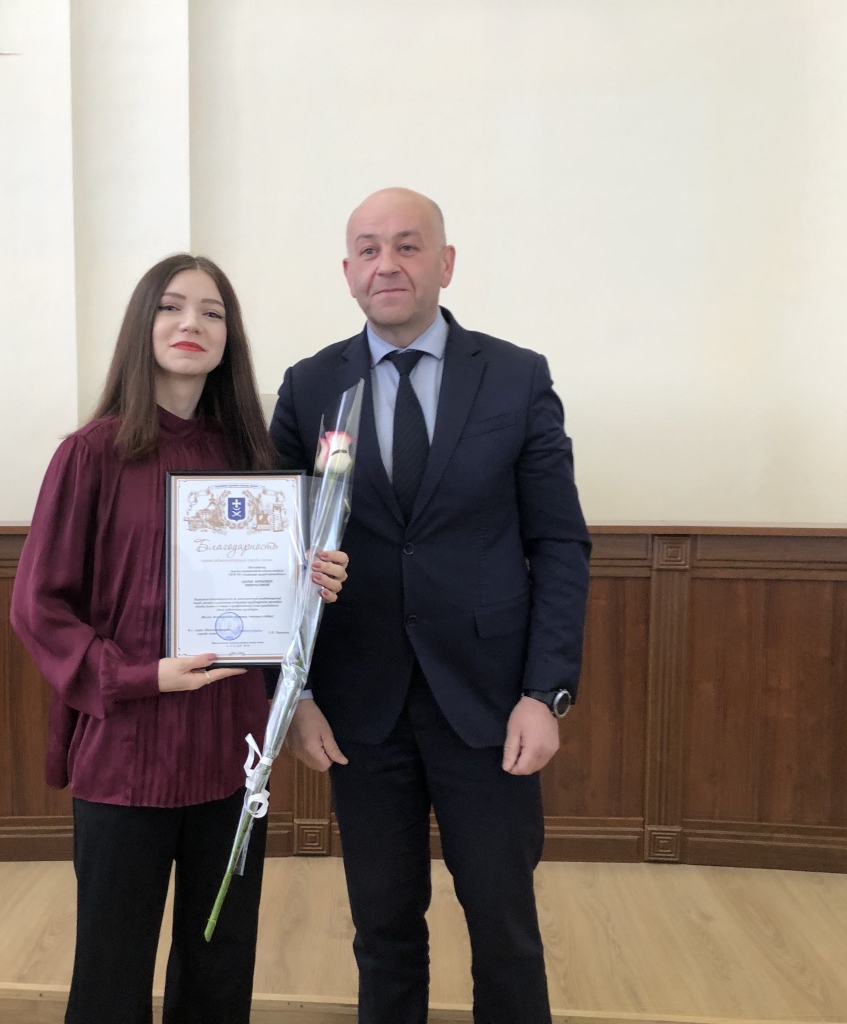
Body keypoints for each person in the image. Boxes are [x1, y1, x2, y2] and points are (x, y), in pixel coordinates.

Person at [269, 189, 590, 1024]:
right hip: (359, 709)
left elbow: (559, 543)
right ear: (347, 272)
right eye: (368, 249)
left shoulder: (516, 377)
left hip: (489, 705)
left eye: (408, 246)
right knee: (382, 930)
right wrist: (295, 695)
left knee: (504, 927)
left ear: (444, 263)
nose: (387, 265)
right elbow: (278, 557)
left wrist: (545, 692)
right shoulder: (309, 387)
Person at [11, 253, 349, 1024]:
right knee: (111, 974)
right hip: (125, 755)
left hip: (231, 755)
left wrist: (309, 576)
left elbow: (266, 605)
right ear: (143, 326)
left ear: (230, 339)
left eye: (212, 312)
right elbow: (38, 607)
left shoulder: (252, 461)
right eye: (170, 306)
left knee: (218, 970)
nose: (191, 322)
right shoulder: (90, 454)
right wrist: (141, 676)